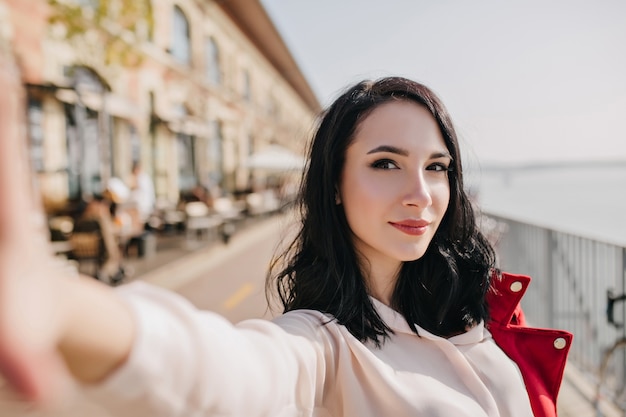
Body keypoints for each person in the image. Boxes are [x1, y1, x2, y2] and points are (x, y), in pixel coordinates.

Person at [0, 71, 572, 417]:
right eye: (386, 163)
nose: (420, 193)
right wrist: (64, 305)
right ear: (335, 186)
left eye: (437, 166)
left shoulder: (474, 307)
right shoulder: (323, 347)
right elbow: (221, 373)